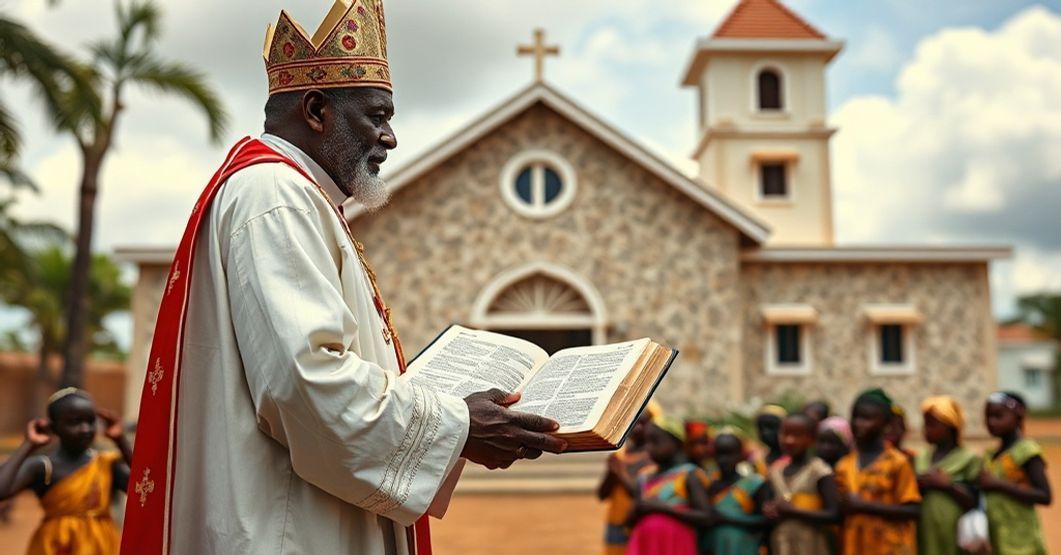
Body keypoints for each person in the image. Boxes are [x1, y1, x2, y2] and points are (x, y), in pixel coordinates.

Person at [118, 2, 566, 553]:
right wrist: (457, 423)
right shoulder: (276, 197)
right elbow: (303, 382)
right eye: (378, 116)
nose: (390, 138)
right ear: (315, 109)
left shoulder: (298, 198)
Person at [0, 388, 132, 555]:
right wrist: (28, 445)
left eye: (90, 421)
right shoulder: (44, 466)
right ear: (54, 427)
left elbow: (145, 490)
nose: (85, 429)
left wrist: (121, 440)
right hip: (54, 546)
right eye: (75, 422)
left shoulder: (107, 464)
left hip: (101, 546)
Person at [836, 388, 921, 555]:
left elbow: (913, 510)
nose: (858, 424)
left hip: (890, 547)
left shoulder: (897, 462)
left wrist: (864, 506)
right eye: (856, 417)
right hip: (855, 547)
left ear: (887, 425)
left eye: (867, 419)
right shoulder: (844, 465)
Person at [979, 391, 1052, 554]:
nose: (991, 422)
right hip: (996, 539)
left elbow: (1044, 495)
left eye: (998, 416)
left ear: (1018, 415)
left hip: (1022, 542)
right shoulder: (989, 456)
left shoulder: (1026, 451)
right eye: (988, 416)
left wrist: (999, 485)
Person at [625, 417, 710, 555]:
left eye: (655, 441)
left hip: (676, 545)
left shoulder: (689, 474)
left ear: (676, 442)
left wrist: (663, 508)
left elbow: (706, 517)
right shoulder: (644, 477)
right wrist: (637, 509)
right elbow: (628, 521)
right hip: (646, 545)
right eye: (647, 442)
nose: (649, 447)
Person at [763, 413, 840, 555]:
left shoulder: (819, 471)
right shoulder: (775, 471)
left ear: (811, 439)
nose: (789, 440)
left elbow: (834, 515)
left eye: (797, 435)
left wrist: (793, 511)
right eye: (785, 434)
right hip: (782, 544)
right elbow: (768, 503)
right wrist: (768, 509)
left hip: (812, 546)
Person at [915, 395, 981, 555]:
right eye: (925, 424)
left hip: (954, 533)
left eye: (932, 425)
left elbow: (975, 501)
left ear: (951, 426)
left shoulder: (969, 459)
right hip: (925, 532)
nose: (925, 430)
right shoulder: (920, 458)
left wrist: (947, 485)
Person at [599, 403, 659, 555]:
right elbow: (602, 494)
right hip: (615, 520)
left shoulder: (653, 457)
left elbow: (638, 493)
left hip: (636, 522)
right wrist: (611, 472)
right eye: (633, 422)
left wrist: (620, 472)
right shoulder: (621, 455)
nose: (637, 428)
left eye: (642, 423)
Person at [702, 433, 768, 555]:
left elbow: (764, 521)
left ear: (740, 455)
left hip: (743, 547)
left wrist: (727, 518)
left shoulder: (754, 484)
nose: (723, 460)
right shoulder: (707, 484)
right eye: (719, 454)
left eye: (729, 454)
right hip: (713, 546)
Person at [752, 404, 786, 475]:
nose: (765, 433)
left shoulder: (791, 461)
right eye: (761, 428)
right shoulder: (757, 459)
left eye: (771, 428)